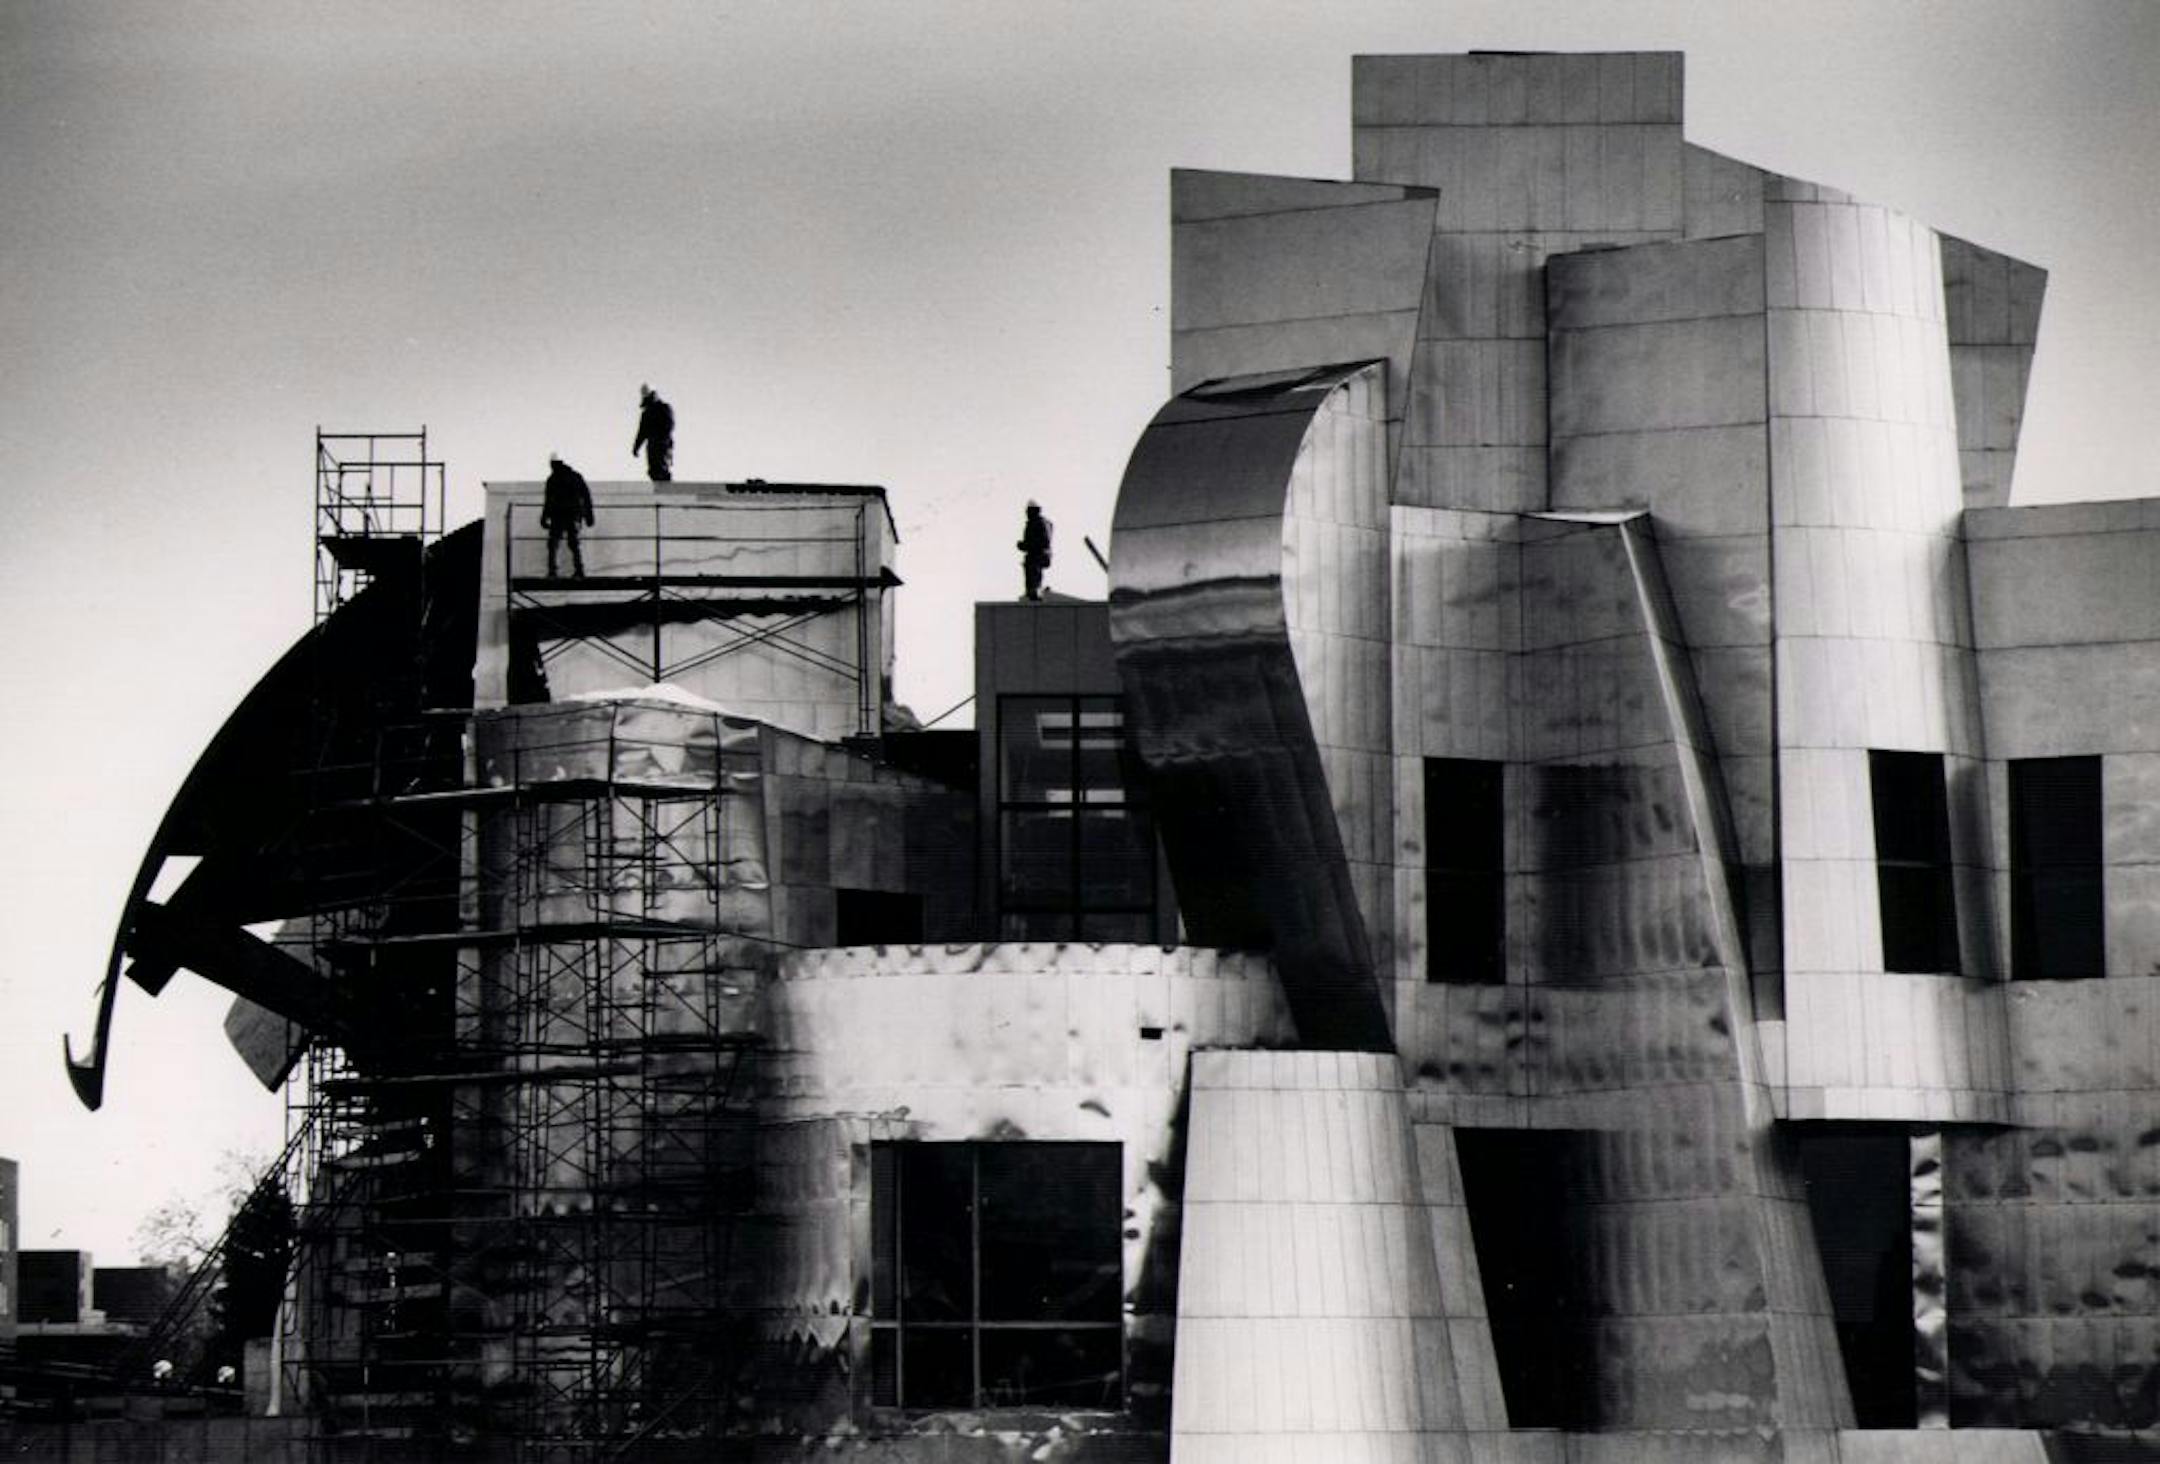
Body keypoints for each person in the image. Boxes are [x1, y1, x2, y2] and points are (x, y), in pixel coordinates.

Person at [542, 455, 594, 578]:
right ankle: (579, 570)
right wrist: (588, 516)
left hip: (559, 515)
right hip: (573, 514)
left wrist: (544, 517)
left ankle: (553, 571)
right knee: (573, 543)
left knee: (554, 544)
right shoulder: (575, 477)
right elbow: (586, 497)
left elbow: (548, 500)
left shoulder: (553, 479)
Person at [633, 383, 674, 482]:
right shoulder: (646, 414)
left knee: (662, 469)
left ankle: (667, 490)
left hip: (663, 445)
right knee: (653, 471)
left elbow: (669, 425)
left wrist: (662, 440)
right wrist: (636, 447)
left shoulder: (664, 408)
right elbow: (642, 432)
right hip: (652, 447)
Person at [1018, 501, 1052, 600]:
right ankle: (1035, 592)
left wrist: (1025, 545)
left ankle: (1035, 593)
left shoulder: (1036, 523)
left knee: (1033, 577)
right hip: (1040, 556)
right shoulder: (1045, 523)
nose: (1026, 513)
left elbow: (1042, 542)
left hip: (1036, 556)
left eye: (1028, 511)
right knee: (1035, 577)